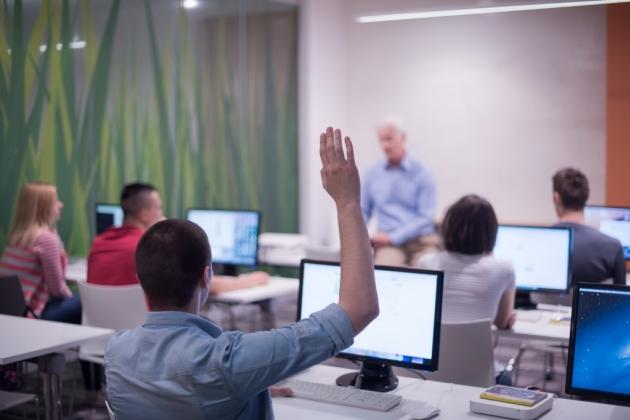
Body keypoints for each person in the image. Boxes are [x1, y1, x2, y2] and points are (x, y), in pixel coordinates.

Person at [105, 127, 379, 419]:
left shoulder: (116, 353)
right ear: (206, 277)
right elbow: (358, 309)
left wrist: (251, 384)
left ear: (141, 282)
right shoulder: (229, 363)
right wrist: (347, 203)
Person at [87, 182, 269, 292]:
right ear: (144, 214)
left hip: (107, 340)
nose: (162, 213)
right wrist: (250, 280)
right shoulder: (149, 249)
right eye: (159, 208)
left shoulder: (99, 243)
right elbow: (207, 285)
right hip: (149, 339)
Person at [418, 195, 515, 384]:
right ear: (491, 232)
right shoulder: (503, 269)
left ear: (448, 227)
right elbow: (502, 321)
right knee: (505, 377)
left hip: (427, 372)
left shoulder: (427, 262)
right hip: (481, 376)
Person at [361, 119, 439, 266]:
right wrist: (359, 239)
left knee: (428, 274)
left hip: (421, 241)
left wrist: (393, 237)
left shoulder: (422, 173)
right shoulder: (372, 174)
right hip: (388, 245)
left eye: (389, 139)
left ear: (402, 138)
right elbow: (364, 211)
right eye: (381, 140)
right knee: (383, 274)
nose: (385, 145)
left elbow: (426, 217)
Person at [0, 182, 80, 322]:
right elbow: (58, 289)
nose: (60, 205)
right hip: (32, 314)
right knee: (85, 300)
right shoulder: (45, 239)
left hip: (10, 313)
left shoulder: (17, 237)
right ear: (44, 207)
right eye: (55, 201)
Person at [552, 168, 625, 286]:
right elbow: (620, 298)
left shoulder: (536, 242)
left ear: (556, 198)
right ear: (587, 197)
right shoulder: (613, 247)